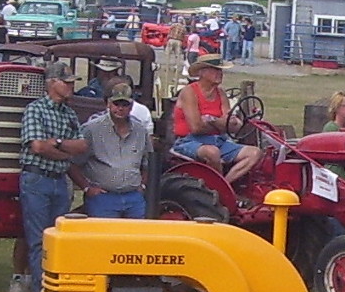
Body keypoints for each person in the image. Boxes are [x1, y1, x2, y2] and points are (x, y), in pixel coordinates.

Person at [18, 61, 88, 292]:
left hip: (59, 180)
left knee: (57, 237)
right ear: (52, 83)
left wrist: (56, 144)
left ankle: (54, 287)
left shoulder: (69, 114)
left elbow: (81, 145)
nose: (70, 86)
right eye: (66, 82)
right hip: (37, 179)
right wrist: (65, 151)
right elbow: (36, 146)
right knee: (39, 238)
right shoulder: (35, 110)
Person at [171, 53, 263, 185]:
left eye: (220, 70)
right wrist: (220, 123)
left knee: (255, 153)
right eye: (215, 70)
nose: (220, 73)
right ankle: (218, 187)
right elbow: (196, 128)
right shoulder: (189, 92)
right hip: (188, 141)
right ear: (202, 72)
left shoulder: (220, 93)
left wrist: (211, 121)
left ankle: (224, 185)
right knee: (212, 152)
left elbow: (233, 125)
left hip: (219, 140)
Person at [69, 83, 151, 219]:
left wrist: (142, 186)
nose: (120, 108)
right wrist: (87, 188)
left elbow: (148, 163)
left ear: (131, 106)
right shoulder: (91, 129)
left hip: (134, 198)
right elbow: (72, 163)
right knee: (104, 238)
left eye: (125, 104)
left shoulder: (141, 131)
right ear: (108, 103)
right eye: (116, 103)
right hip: (103, 198)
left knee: (136, 238)